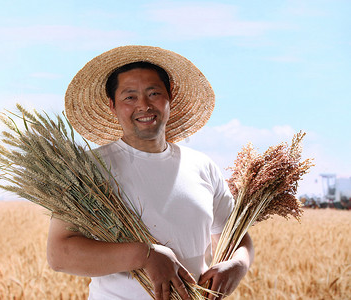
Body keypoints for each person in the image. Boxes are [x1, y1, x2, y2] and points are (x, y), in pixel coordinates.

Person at [47, 45, 254, 300]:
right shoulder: (90, 170)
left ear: (170, 98)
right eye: (130, 97)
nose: (144, 105)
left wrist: (238, 265)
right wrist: (144, 255)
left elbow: (238, 238)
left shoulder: (202, 166)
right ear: (112, 105)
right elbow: (60, 255)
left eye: (154, 93)